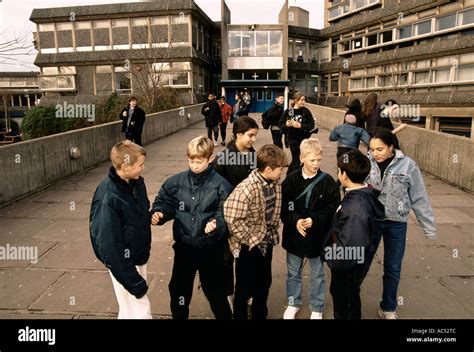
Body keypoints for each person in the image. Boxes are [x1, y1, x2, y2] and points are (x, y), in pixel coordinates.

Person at [151, 136, 232, 319]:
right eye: (191, 161)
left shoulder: (221, 185)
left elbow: (226, 213)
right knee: (179, 290)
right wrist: (159, 213)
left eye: (199, 161)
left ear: (210, 158)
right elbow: (164, 202)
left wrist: (217, 224)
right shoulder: (175, 182)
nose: (195, 165)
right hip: (184, 248)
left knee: (216, 293)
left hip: (211, 249)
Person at [364, 129, 437, 319]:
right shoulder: (365, 163)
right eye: (372, 149)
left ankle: (388, 308)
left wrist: (428, 228)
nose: (375, 153)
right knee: (360, 262)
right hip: (370, 222)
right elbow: (351, 189)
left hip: (396, 223)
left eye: (380, 149)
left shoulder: (408, 166)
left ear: (391, 147)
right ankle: (349, 302)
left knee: (393, 268)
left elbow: (419, 198)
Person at [224, 145, 288, 320]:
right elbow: (231, 218)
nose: (282, 172)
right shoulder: (247, 188)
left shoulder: (275, 184)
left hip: (266, 242)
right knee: (244, 287)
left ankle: (260, 313)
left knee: (264, 282)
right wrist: (252, 240)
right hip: (248, 246)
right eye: (280, 169)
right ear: (268, 169)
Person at [89, 140, 152, 319]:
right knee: (141, 311)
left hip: (137, 256)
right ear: (125, 166)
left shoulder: (136, 182)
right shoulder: (107, 198)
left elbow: (140, 210)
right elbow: (109, 247)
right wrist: (133, 282)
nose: (143, 168)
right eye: (140, 165)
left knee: (129, 311)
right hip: (126, 264)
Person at [281, 138, 340, 319]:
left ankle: (317, 306)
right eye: (312, 160)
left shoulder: (328, 181)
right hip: (294, 235)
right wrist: (295, 220)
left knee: (317, 274)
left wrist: (315, 219)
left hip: (317, 236)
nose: (316, 164)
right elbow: (285, 206)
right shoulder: (290, 180)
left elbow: (333, 208)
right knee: (293, 273)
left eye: (319, 160)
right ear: (302, 158)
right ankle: (293, 302)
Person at [325, 149, 384, 320]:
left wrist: (331, 258)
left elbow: (350, 248)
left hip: (347, 268)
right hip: (354, 265)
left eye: (338, 170)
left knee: (346, 305)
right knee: (350, 298)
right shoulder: (363, 193)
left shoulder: (355, 209)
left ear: (344, 174)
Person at [212, 116, 259, 309]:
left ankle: (245, 293)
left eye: (255, 136)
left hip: (249, 217)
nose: (253, 140)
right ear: (238, 134)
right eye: (250, 135)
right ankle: (228, 295)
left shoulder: (253, 154)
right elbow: (213, 186)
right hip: (228, 216)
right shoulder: (223, 157)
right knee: (226, 259)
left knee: (246, 260)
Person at [279, 92, 315, 174]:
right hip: (292, 139)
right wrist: (287, 125)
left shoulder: (306, 111)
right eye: (302, 100)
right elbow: (281, 125)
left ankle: (289, 174)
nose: (303, 102)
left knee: (299, 158)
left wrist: (300, 126)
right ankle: (295, 178)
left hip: (304, 139)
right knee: (296, 159)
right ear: (296, 100)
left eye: (304, 100)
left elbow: (311, 125)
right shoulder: (289, 111)